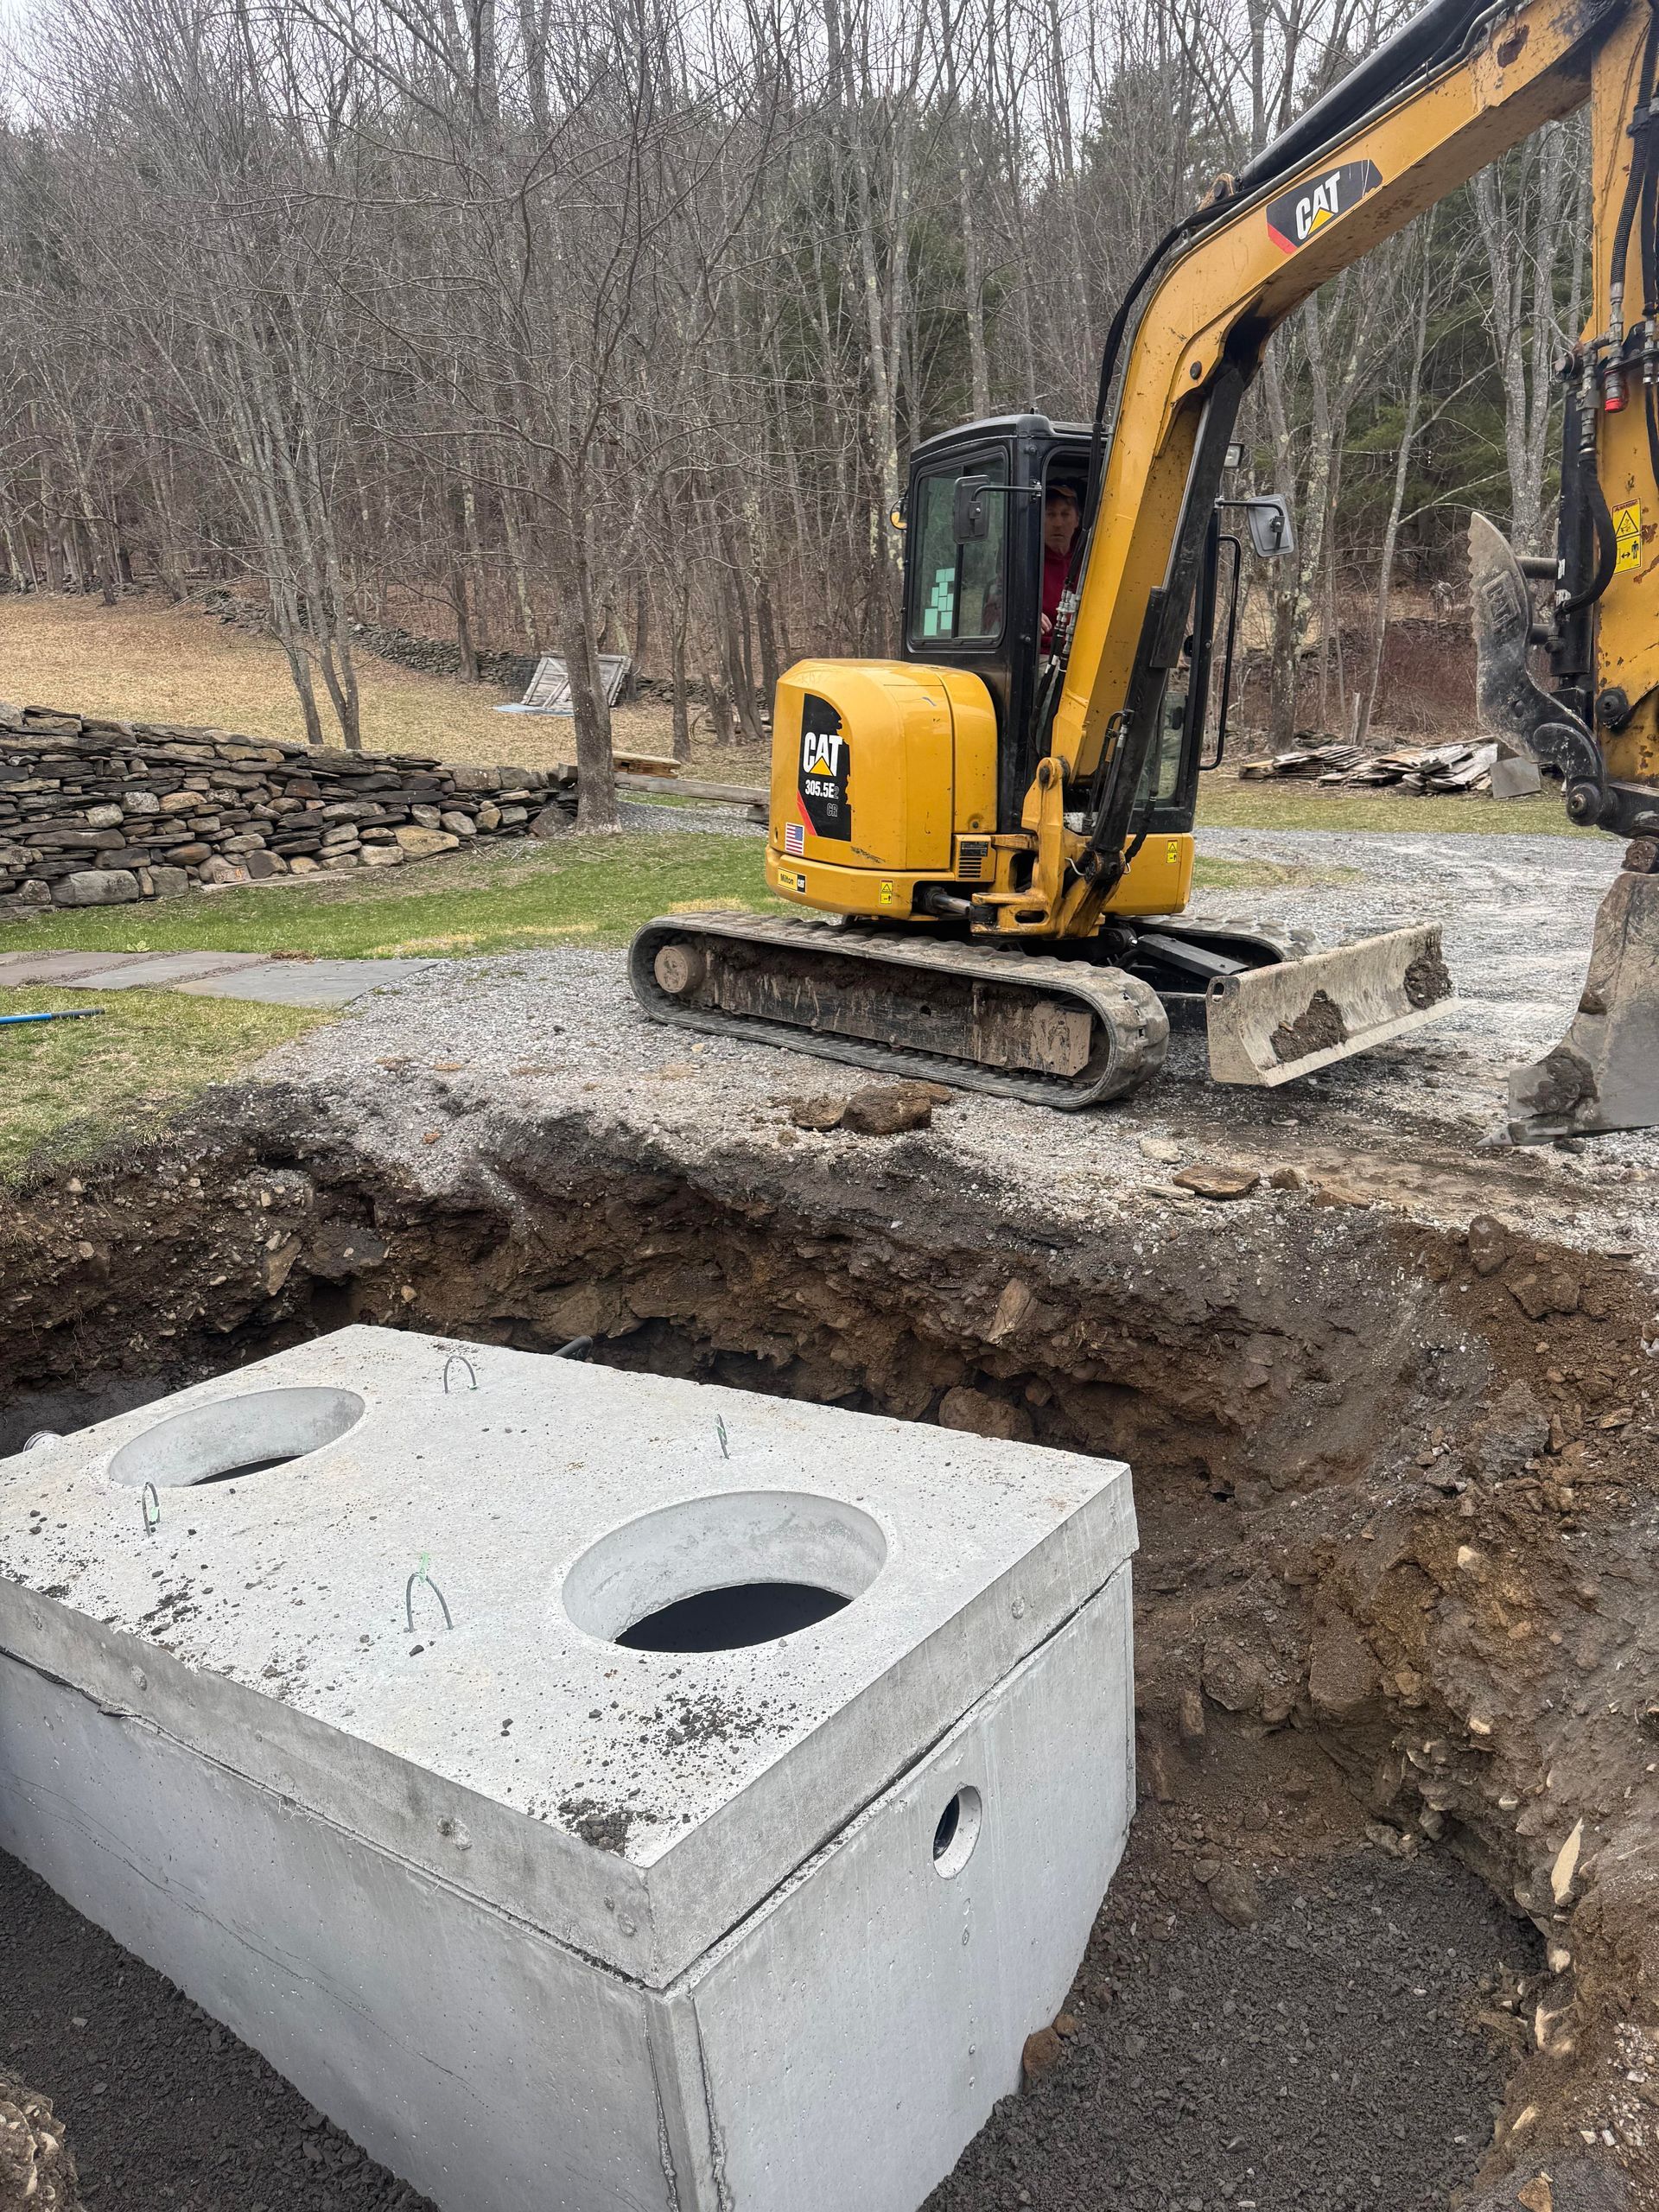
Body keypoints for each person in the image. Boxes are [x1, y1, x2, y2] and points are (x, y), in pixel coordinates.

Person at [1041, 477, 1084, 646]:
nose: (1058, 523)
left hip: (1084, 650)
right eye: (1051, 514)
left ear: (1077, 521)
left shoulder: (1089, 560)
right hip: (1042, 653)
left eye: (1065, 514)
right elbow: (999, 607)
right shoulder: (1025, 562)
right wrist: (1026, 616)